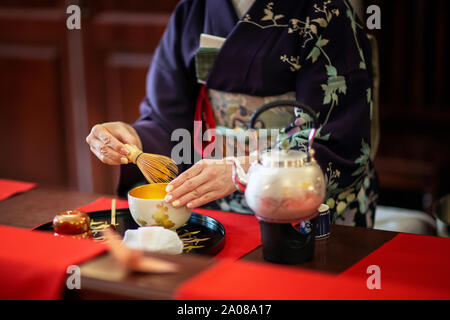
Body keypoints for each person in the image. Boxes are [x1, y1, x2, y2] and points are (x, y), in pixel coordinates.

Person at [86, 0, 378, 228]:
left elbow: (336, 139)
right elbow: (166, 120)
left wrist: (244, 170)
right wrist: (132, 138)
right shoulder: (194, 10)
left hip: (302, 209)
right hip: (214, 208)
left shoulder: (325, 11)